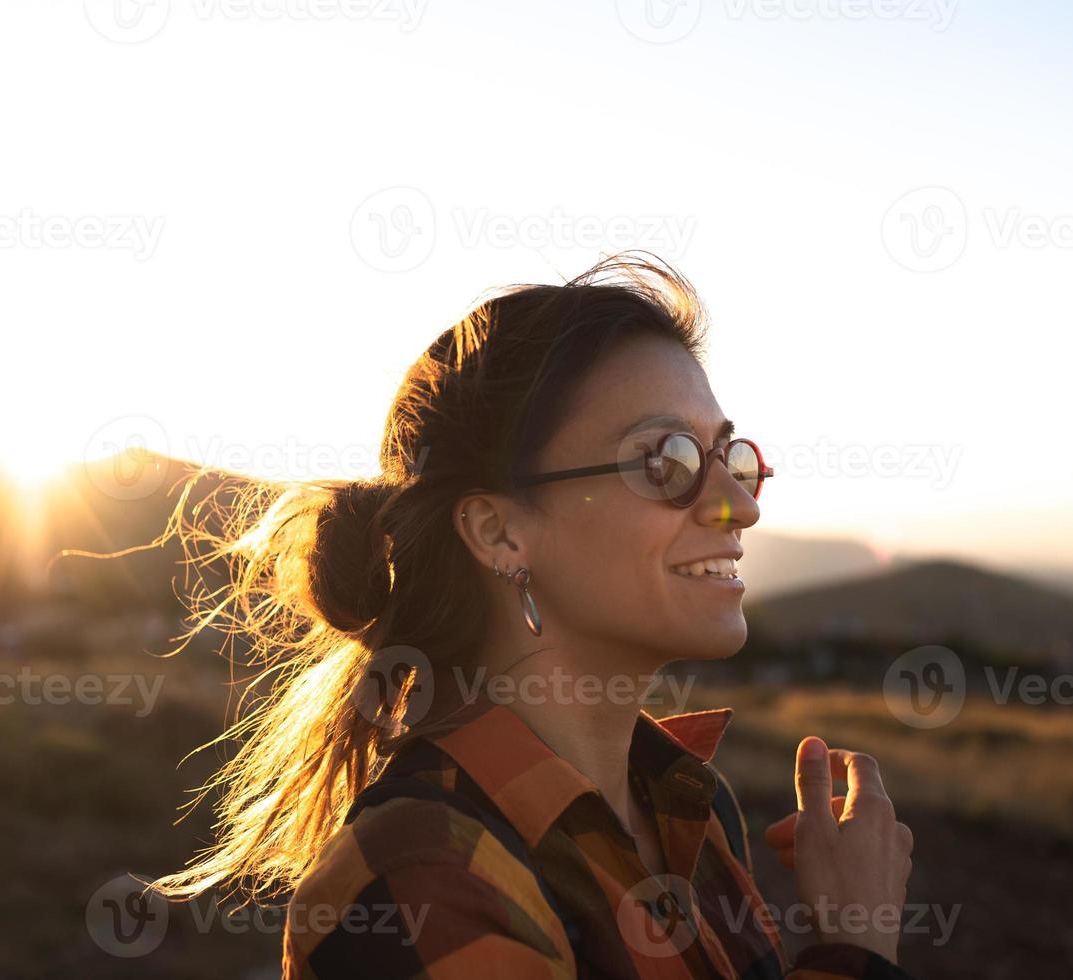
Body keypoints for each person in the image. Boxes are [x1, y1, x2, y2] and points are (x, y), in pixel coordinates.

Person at [149, 254, 916, 978]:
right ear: (500, 532)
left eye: (733, 458)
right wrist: (853, 946)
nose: (740, 504)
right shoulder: (425, 876)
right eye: (669, 461)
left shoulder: (690, 807)